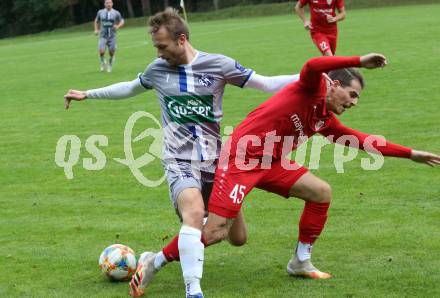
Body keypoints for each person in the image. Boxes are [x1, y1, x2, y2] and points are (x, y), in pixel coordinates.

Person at [147, 53, 440, 294]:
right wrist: (361, 61)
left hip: (271, 162)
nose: (354, 102)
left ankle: (300, 261)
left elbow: (362, 140)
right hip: (240, 159)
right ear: (334, 84)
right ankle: (154, 261)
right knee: (218, 232)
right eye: (352, 94)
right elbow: (312, 65)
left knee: (321, 192)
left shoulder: (324, 118)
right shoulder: (310, 88)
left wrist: (410, 153)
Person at [64, 8, 300, 298]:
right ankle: (193, 290)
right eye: (156, 47)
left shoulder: (218, 65)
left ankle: (155, 258)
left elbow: (266, 83)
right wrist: (87, 93)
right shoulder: (156, 70)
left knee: (235, 237)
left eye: (162, 46)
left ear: (181, 39)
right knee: (194, 213)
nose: (159, 53)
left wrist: (311, 78)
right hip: (179, 159)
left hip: (216, 162)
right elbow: (129, 88)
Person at [94, 0, 124, 72]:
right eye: (107, 3)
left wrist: (118, 26)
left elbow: (122, 20)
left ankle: (110, 64)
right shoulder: (100, 12)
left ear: (112, 4)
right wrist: (96, 29)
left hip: (112, 36)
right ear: (104, 4)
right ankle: (102, 61)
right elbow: (96, 21)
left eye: (110, 3)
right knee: (101, 51)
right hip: (103, 36)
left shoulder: (116, 13)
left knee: (111, 52)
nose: (108, 4)